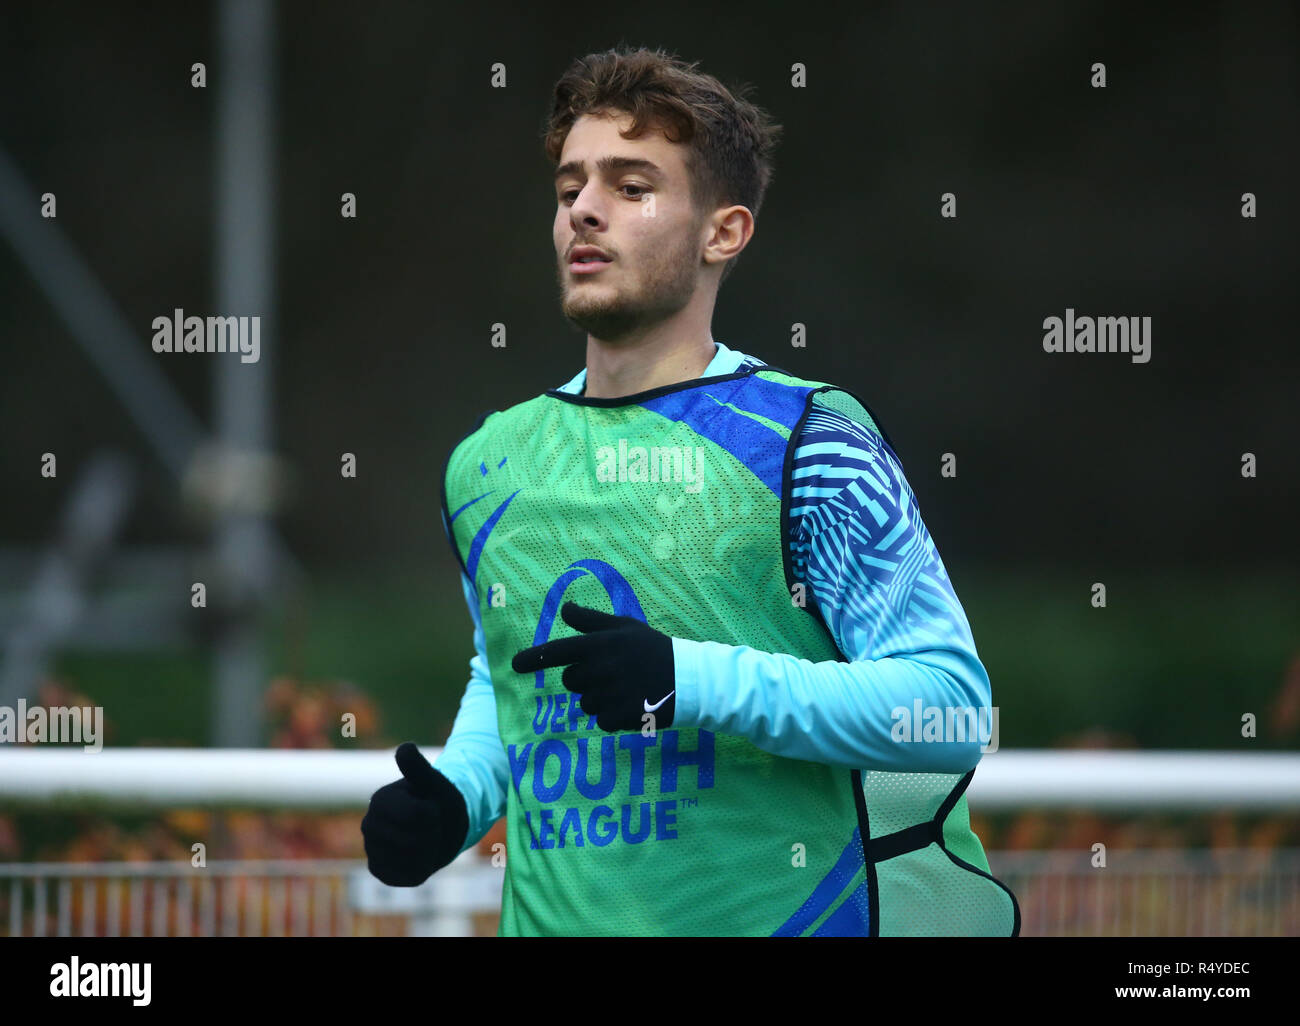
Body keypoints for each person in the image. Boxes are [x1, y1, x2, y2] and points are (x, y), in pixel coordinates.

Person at [361, 45, 1018, 937]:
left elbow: (946, 710)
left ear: (724, 232)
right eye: (570, 189)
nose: (584, 210)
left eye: (632, 187)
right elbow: (512, 677)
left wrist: (688, 679)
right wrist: (460, 795)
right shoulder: (487, 462)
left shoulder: (810, 442)